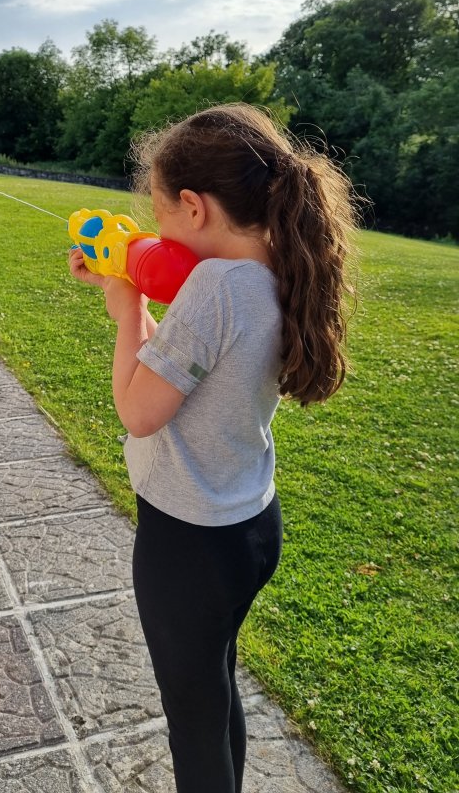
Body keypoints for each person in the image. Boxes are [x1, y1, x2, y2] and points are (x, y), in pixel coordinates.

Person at [68, 104, 358, 793]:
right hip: (248, 526)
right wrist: (137, 296)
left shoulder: (214, 286)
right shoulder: (278, 267)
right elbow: (191, 368)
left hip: (188, 542)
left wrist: (128, 310)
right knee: (214, 692)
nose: (159, 231)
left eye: (161, 213)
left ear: (194, 207)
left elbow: (140, 411)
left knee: (193, 726)